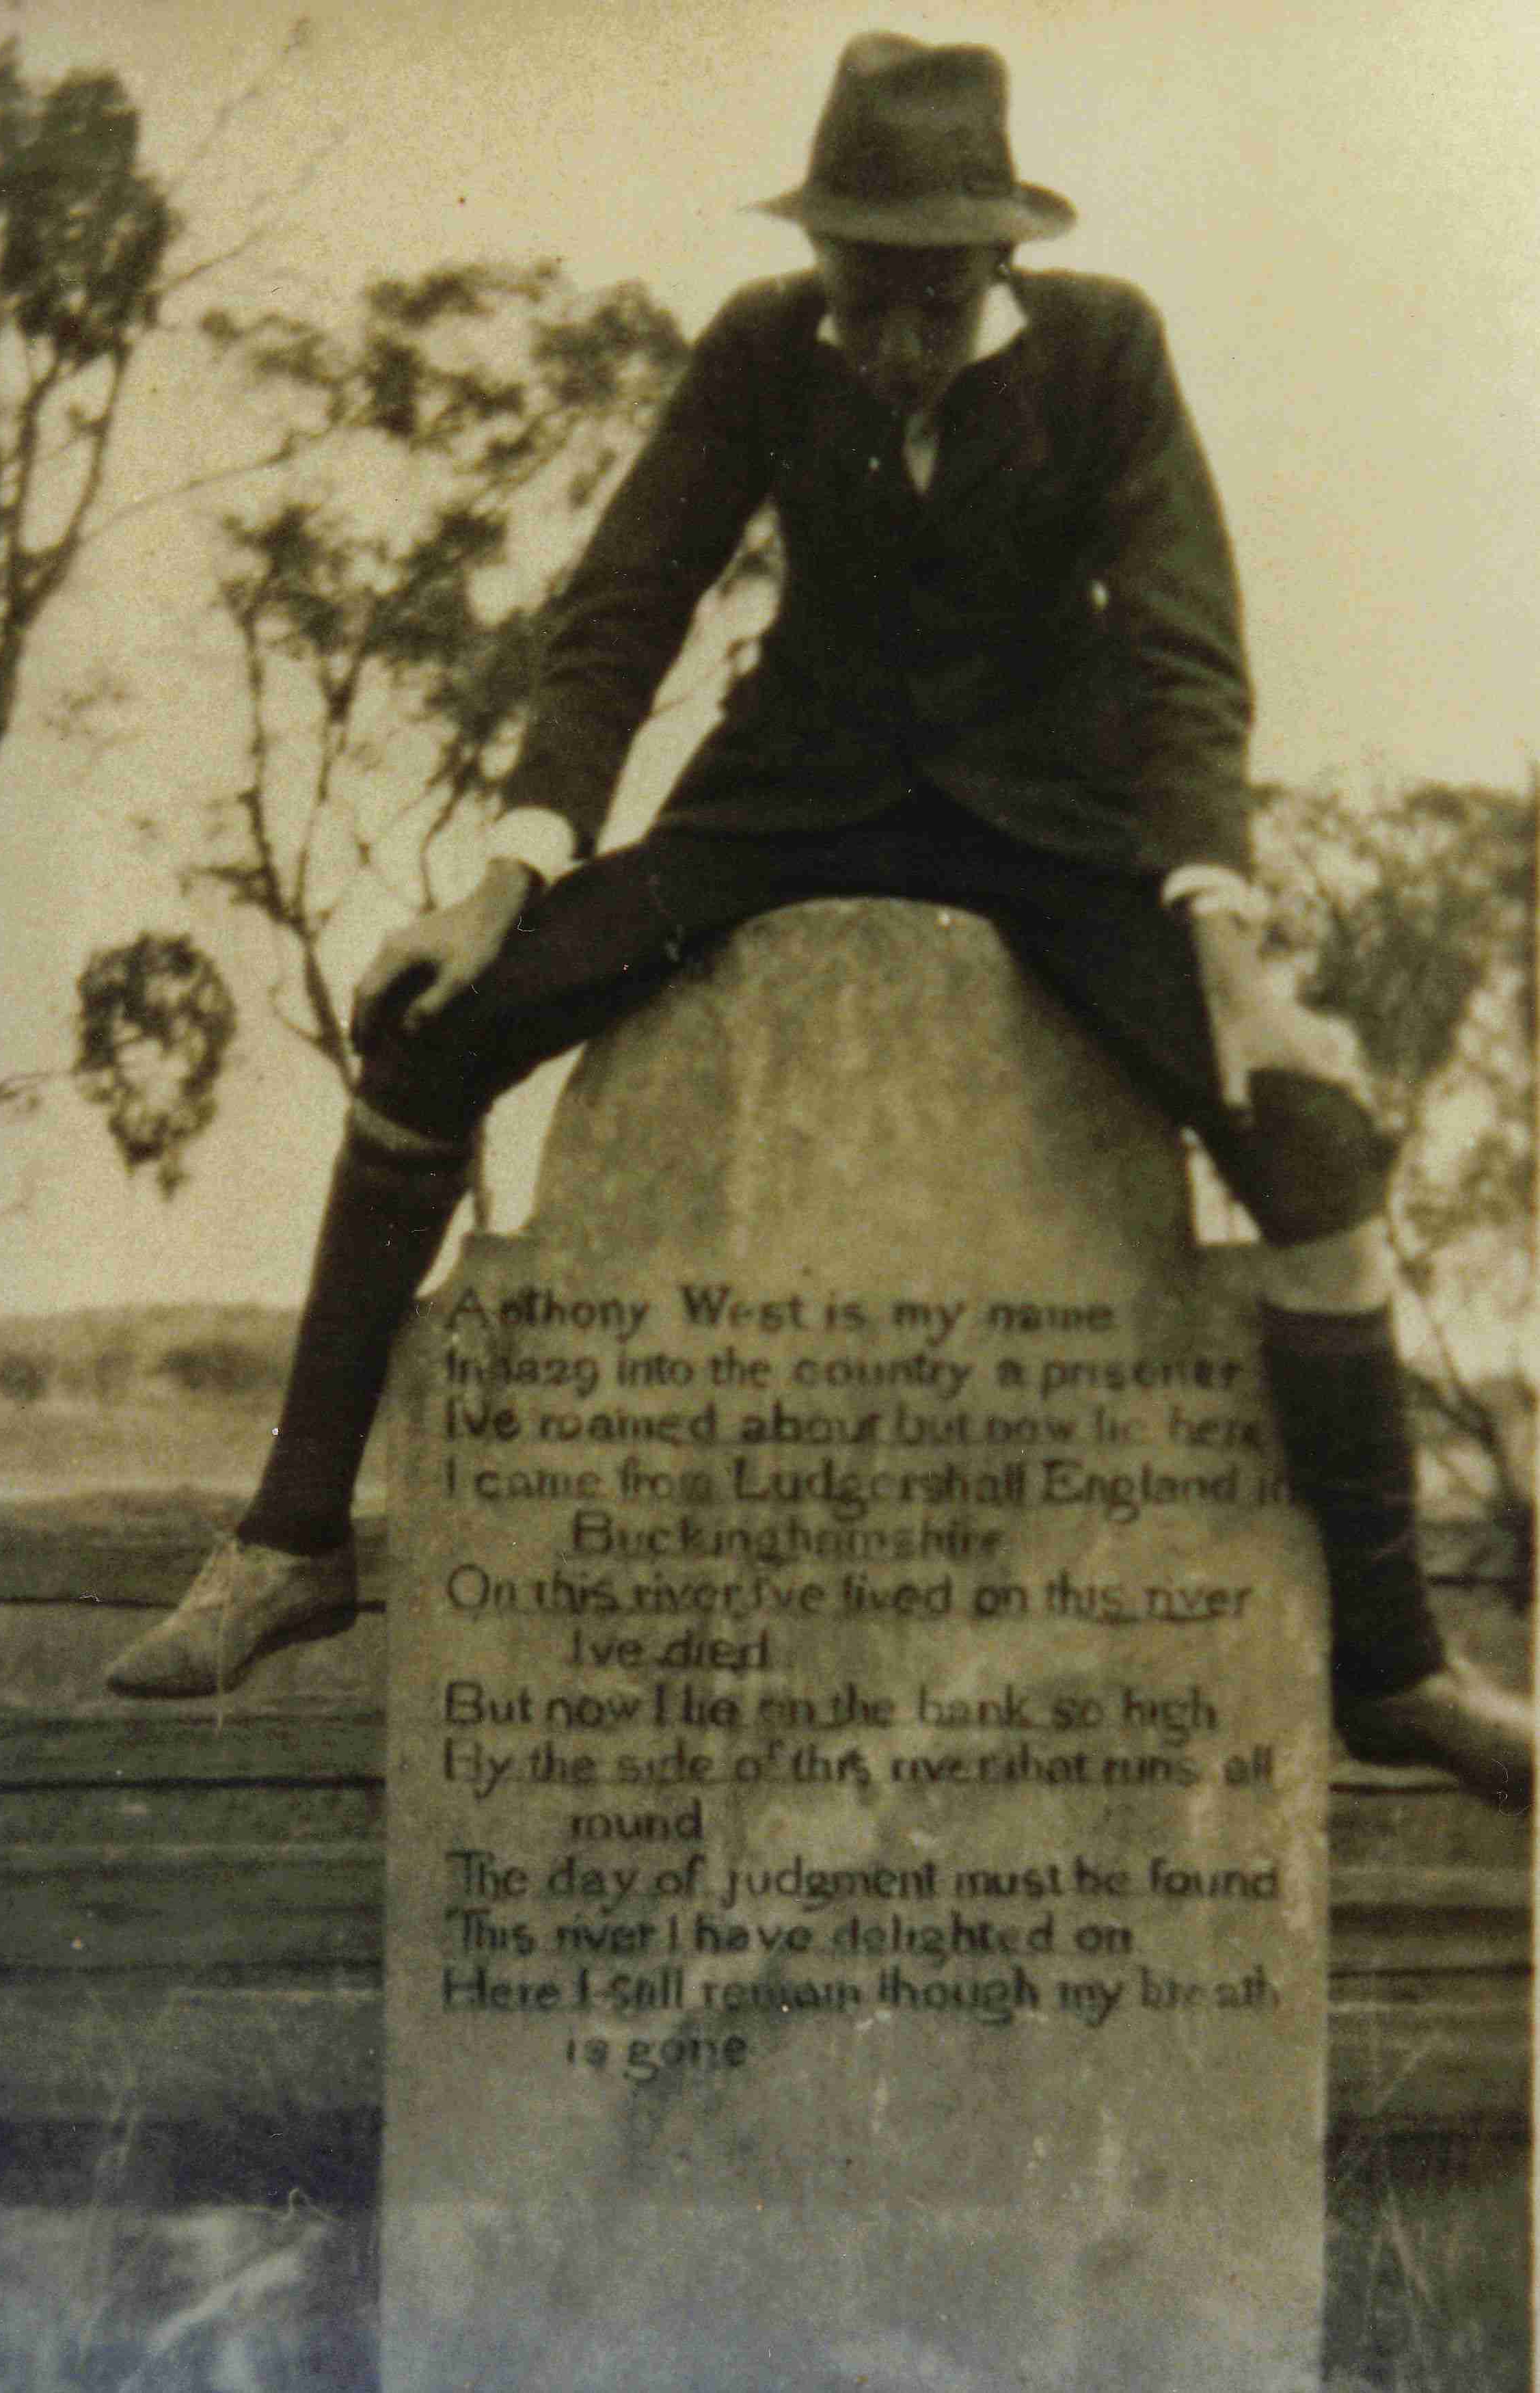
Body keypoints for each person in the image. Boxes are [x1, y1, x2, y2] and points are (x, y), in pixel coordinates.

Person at [105, 34, 1531, 1811]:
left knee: (1315, 1141)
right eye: (859, 293)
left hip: (1055, 823)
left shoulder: (1108, 353)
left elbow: (1185, 648)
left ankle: (1394, 1671)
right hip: (797, 790)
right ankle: (293, 1539)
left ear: (999, 262)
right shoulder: (760, 349)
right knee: (425, 1032)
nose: (888, 342)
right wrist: (509, 867)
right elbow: (624, 605)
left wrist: (1226, 934)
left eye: (927, 301)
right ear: (825, 261)